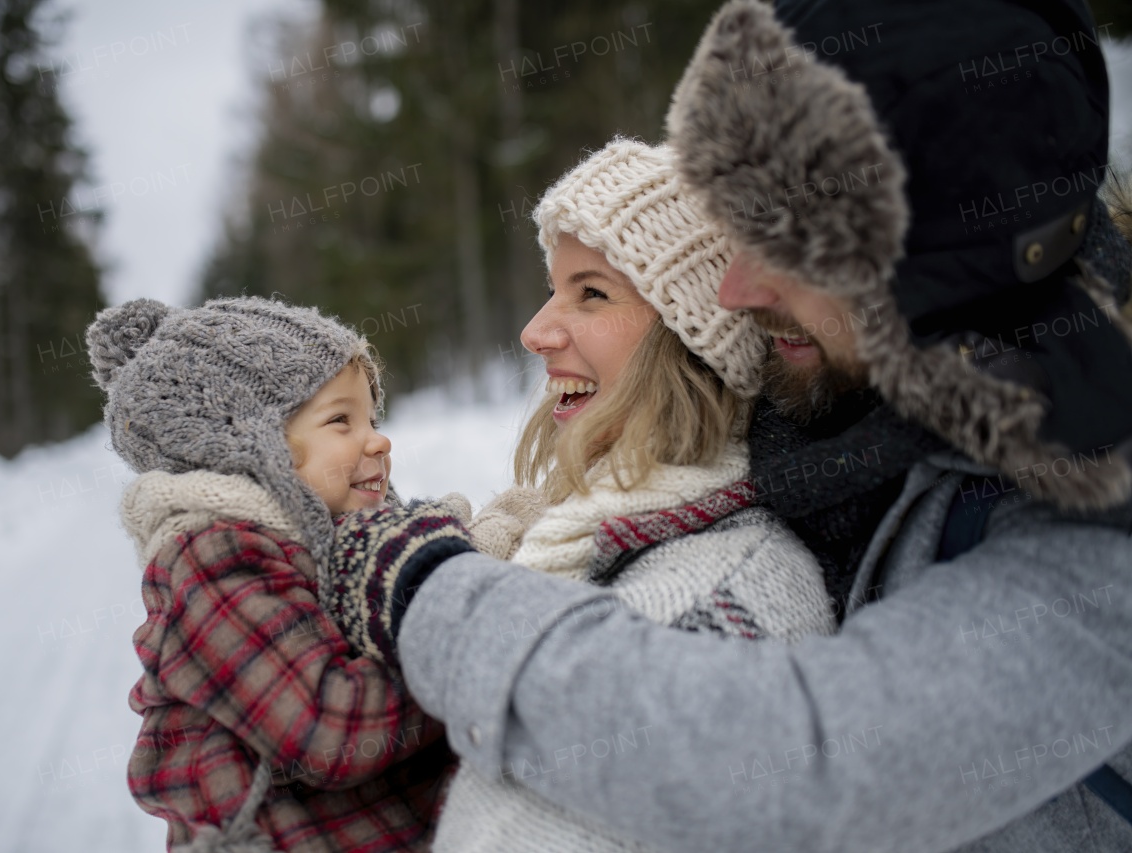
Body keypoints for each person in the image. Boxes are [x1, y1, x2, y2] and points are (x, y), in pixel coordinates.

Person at [315, 1, 1132, 851]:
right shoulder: (840, 442)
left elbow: (803, 760)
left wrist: (430, 591)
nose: (734, 291)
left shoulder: (1095, 527)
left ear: (929, 261)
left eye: (786, 243)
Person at [420, 138, 835, 850]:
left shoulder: (720, 602)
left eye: (592, 292)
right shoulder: (564, 536)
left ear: (693, 341)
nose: (535, 330)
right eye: (552, 289)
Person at [85, 296, 461, 852]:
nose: (379, 439)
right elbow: (333, 728)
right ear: (247, 443)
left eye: (372, 418)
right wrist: (473, 651)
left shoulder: (318, 536)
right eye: (341, 420)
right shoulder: (215, 561)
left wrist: (465, 546)